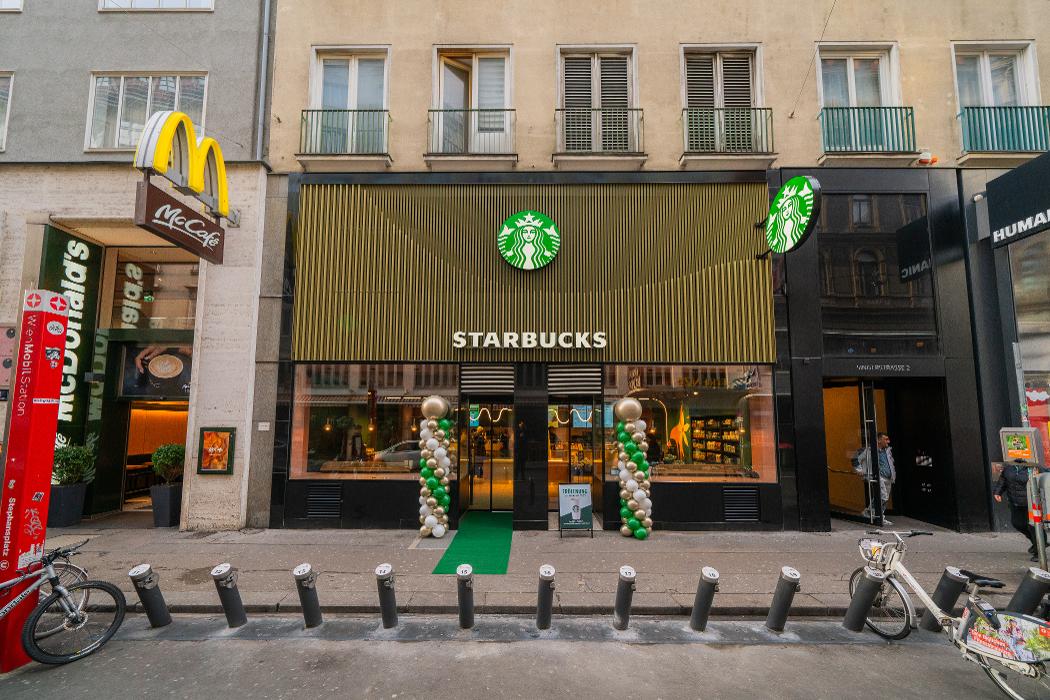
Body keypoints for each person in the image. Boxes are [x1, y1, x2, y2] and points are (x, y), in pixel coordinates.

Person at [994, 462, 1037, 561]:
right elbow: (1003, 481)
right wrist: (998, 492)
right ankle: (1037, 543)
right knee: (1017, 523)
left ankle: (1039, 552)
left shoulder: (1033, 467)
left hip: (1030, 503)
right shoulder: (1009, 468)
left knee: (1033, 526)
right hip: (1015, 502)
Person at [853, 432, 896, 524]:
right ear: (879, 440)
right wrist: (859, 470)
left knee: (884, 498)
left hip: (888, 478)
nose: (888, 441)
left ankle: (879, 516)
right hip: (877, 476)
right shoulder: (869, 450)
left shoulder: (887, 451)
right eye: (885, 439)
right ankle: (870, 513)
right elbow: (855, 458)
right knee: (883, 496)